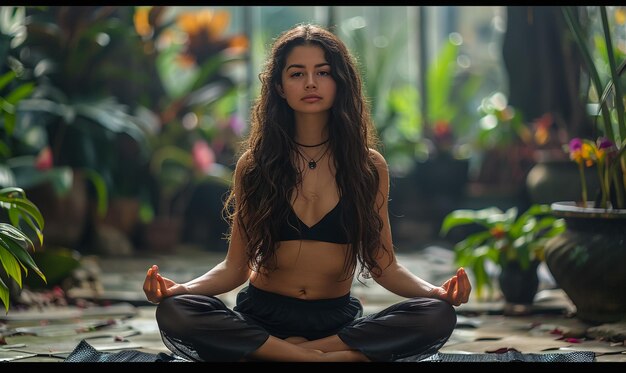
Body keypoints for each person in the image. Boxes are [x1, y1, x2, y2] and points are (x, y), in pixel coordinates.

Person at [143, 23, 471, 362]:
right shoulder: (255, 166)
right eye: (297, 73)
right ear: (280, 87)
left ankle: (279, 356)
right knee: (175, 310)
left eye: (323, 72)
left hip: (335, 322)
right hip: (261, 317)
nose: (311, 83)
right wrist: (181, 290)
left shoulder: (368, 166)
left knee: (437, 314)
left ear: (339, 82)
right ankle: (322, 359)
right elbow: (234, 268)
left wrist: (436, 292)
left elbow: (383, 266)